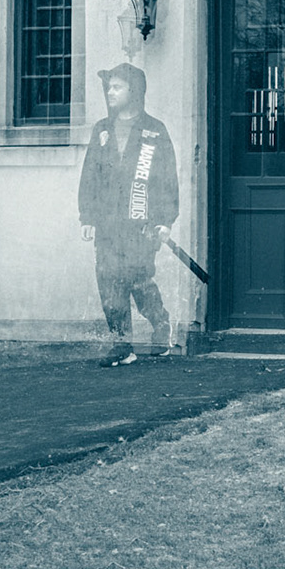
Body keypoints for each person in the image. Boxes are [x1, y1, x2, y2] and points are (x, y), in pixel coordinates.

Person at [77, 63, 178, 365]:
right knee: (109, 283)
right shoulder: (102, 130)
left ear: (134, 91)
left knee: (138, 280)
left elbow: (167, 179)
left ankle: (161, 325)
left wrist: (164, 220)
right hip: (108, 225)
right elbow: (90, 175)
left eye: (117, 87)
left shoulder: (155, 131)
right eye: (109, 87)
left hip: (141, 225)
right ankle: (122, 346)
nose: (110, 92)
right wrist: (87, 216)